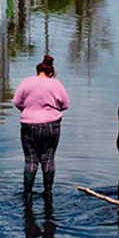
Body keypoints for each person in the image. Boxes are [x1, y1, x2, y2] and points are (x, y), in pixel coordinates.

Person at [13, 55, 70, 195]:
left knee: (31, 160)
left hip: (29, 126)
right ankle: (48, 191)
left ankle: (27, 193)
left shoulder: (26, 82)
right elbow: (65, 105)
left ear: (37, 71)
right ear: (51, 73)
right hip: (51, 125)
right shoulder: (56, 84)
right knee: (48, 158)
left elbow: (16, 102)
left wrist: (28, 110)